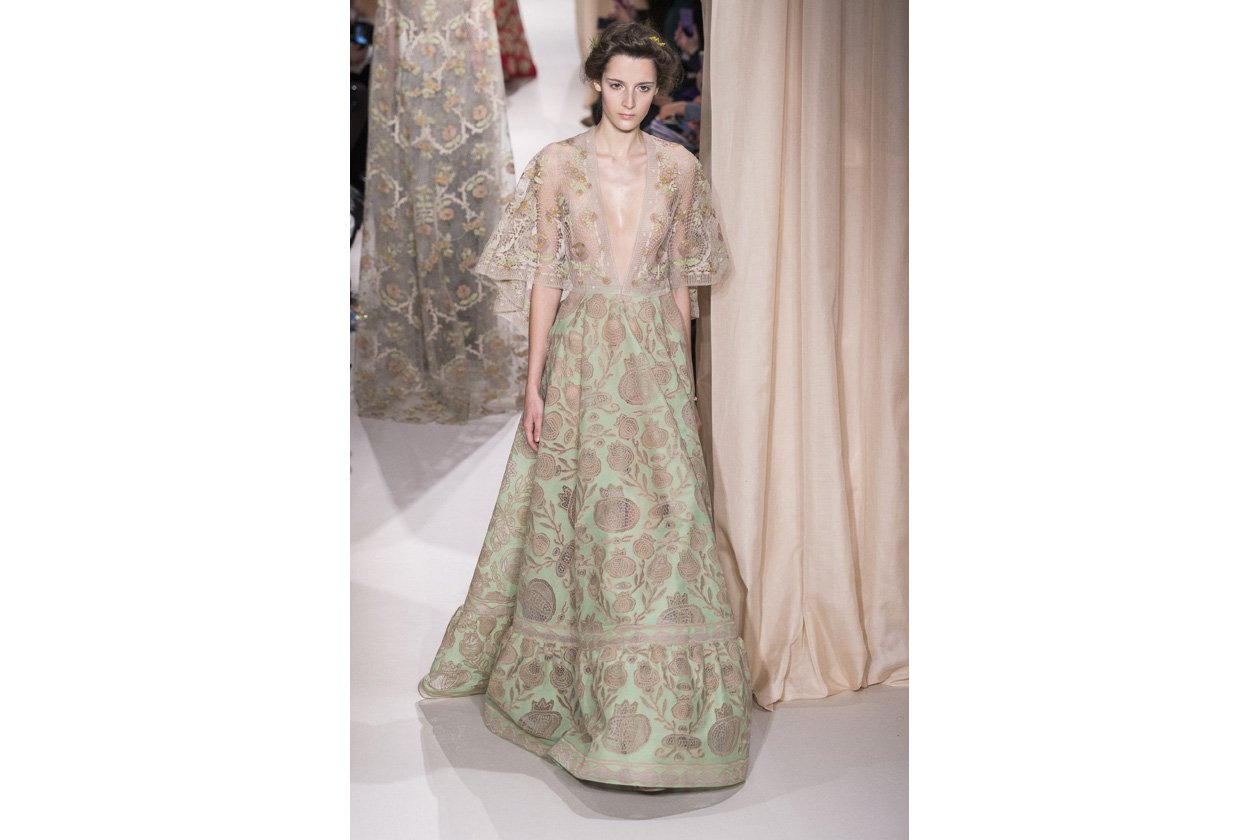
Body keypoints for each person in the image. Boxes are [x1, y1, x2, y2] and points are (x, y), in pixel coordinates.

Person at [417, 20, 753, 792]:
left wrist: (684, 385)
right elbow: (546, 278)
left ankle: (663, 702)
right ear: (597, 83)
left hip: (654, 359)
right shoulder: (558, 166)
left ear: (658, 92)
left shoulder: (680, 168)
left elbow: (681, 287)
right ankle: (586, 688)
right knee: (587, 519)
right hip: (582, 358)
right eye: (618, 84)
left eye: (644, 88)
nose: (630, 100)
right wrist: (533, 384)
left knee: (668, 522)